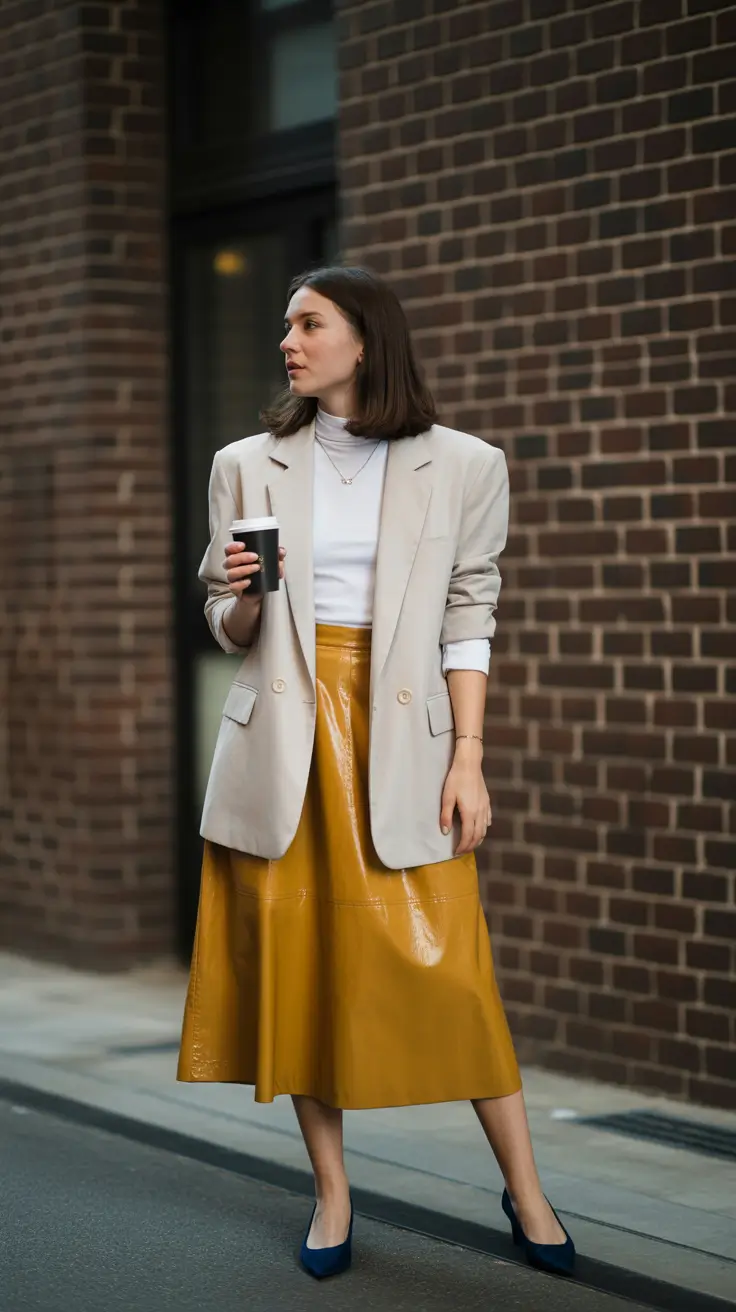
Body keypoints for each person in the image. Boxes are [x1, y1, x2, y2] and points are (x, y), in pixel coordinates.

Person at [177, 265, 575, 1281]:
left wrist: (469, 759)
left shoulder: (466, 464)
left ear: (366, 339)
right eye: (282, 326)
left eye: (308, 323)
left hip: (407, 743)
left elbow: (469, 613)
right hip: (284, 741)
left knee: (453, 971)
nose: (287, 341)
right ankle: (332, 1191)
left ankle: (526, 1189)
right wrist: (238, 596)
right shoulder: (246, 464)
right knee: (305, 969)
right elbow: (224, 625)